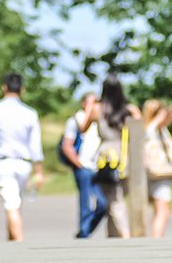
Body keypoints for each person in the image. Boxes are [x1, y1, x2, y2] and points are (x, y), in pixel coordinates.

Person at [0, 73, 45, 241]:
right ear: (22, 89)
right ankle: (12, 244)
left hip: (5, 164)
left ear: (4, 88)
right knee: (15, 205)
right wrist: (39, 171)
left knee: (12, 206)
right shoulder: (30, 113)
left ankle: (18, 246)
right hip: (24, 165)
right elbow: (35, 145)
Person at [80, 73, 141, 238]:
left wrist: (89, 107)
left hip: (107, 157)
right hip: (126, 155)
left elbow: (83, 128)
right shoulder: (129, 110)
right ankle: (113, 237)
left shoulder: (98, 109)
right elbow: (140, 129)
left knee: (114, 199)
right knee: (114, 197)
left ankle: (125, 235)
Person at [141, 97, 172, 238]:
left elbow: (167, 118)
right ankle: (157, 239)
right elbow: (159, 123)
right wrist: (171, 108)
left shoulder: (154, 128)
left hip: (154, 173)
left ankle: (157, 236)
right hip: (157, 174)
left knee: (159, 209)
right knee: (163, 210)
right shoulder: (150, 129)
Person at [62, 92, 106, 238]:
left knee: (103, 204)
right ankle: (84, 234)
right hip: (84, 166)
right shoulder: (76, 119)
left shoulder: (102, 119)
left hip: (100, 166)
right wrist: (78, 163)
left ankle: (85, 231)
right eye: (90, 102)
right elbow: (67, 145)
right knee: (86, 203)